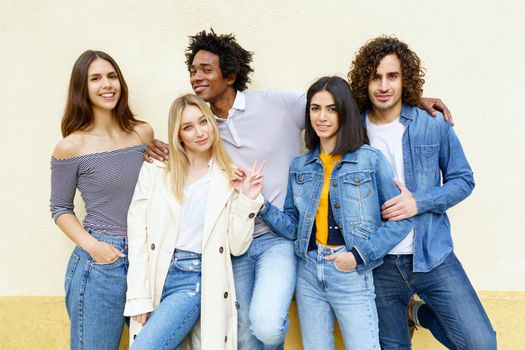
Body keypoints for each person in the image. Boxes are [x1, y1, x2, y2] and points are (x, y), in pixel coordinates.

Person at [145, 29, 452, 350]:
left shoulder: (277, 104)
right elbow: (186, 146)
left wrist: (408, 98)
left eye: (206, 70)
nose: (197, 77)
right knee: (245, 337)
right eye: (193, 71)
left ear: (231, 75)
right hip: (235, 241)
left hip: (283, 242)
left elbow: (335, 103)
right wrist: (151, 145)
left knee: (266, 325)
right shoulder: (205, 127)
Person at [348, 36, 497, 350]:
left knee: (481, 343)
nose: (384, 86)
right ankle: (409, 314)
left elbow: (463, 180)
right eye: (376, 77)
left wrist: (418, 202)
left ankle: (418, 313)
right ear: (365, 81)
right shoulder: (352, 132)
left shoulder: (432, 124)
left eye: (393, 76)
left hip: (432, 255)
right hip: (379, 264)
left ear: (406, 80)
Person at [251, 76, 412, 349]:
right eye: (315, 108)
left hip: (351, 271)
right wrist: (259, 203)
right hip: (309, 271)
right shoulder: (300, 166)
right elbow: (293, 226)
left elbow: (400, 221)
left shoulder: (369, 160)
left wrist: (358, 256)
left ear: (344, 112)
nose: (322, 117)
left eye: (331, 108)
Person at [124, 93, 264, 350]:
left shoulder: (228, 177)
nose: (200, 132)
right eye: (188, 127)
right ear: (178, 135)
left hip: (194, 279)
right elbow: (138, 234)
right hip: (157, 274)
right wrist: (138, 296)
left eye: (203, 122)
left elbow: (236, 246)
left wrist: (247, 199)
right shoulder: (156, 169)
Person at [50, 50, 154, 350]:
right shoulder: (71, 146)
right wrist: (94, 247)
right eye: (95, 78)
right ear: (82, 88)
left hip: (145, 256)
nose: (107, 84)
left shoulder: (142, 133)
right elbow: (60, 208)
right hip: (100, 265)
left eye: (112, 76)